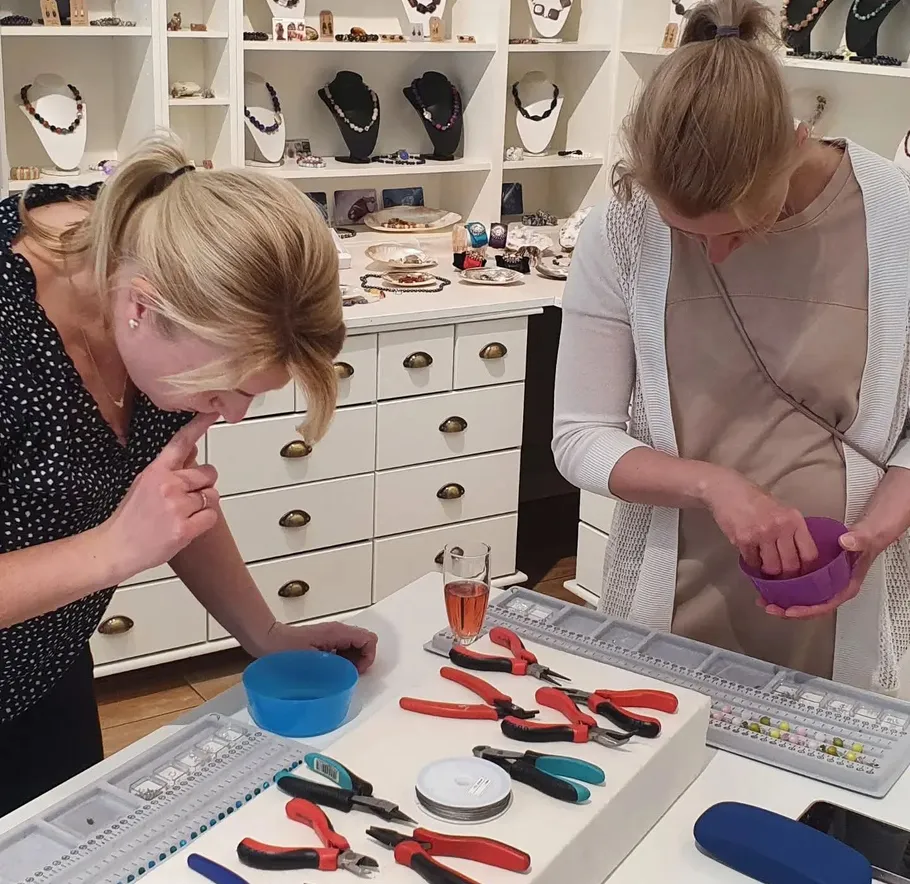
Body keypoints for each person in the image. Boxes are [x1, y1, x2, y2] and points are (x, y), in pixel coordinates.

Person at [0, 136, 378, 817]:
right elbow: (130, 535)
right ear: (141, 307)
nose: (232, 416)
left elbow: (177, 502)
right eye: (220, 390)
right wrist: (112, 549)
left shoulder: (155, 257)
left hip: (47, 669)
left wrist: (266, 637)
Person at [553, 0, 910, 694]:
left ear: (795, 143)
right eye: (686, 232)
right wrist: (714, 487)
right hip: (671, 608)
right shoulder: (624, 226)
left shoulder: (896, 221)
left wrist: (881, 528)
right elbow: (579, 436)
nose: (713, 256)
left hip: (845, 613)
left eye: (742, 230)